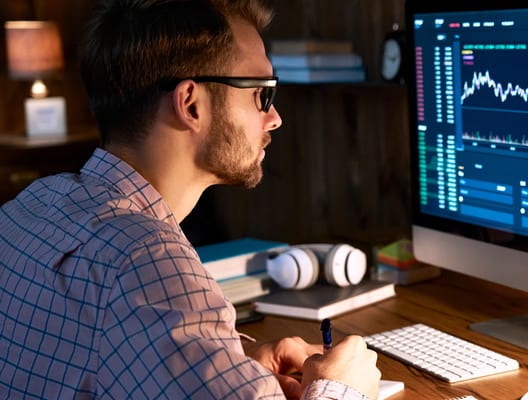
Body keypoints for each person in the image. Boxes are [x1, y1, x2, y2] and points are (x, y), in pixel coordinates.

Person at [0, 0, 381, 399]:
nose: (274, 118)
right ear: (191, 104)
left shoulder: (31, 205)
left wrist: (234, 366)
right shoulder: (147, 260)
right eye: (261, 94)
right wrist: (341, 388)